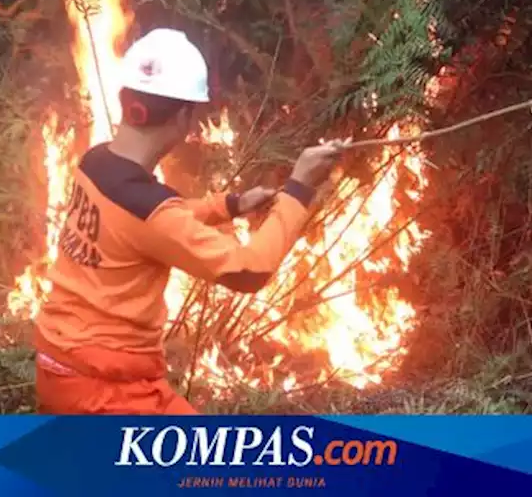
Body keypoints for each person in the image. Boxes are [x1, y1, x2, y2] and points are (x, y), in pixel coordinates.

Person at [33, 27, 346, 414]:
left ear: (127, 100)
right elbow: (251, 271)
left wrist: (229, 205)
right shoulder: (150, 210)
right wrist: (300, 188)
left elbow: (138, 226)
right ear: (184, 116)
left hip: (57, 368)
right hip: (106, 394)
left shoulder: (95, 163)